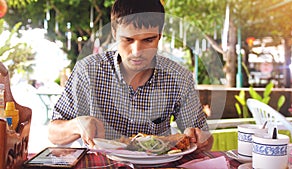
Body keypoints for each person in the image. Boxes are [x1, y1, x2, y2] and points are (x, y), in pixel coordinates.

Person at [48, 0, 213, 151]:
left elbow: (205, 139)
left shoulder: (178, 77)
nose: (137, 52)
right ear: (114, 32)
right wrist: (76, 125)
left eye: (148, 40)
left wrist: (198, 138)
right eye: (127, 39)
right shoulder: (87, 71)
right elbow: (53, 133)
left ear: (159, 37)